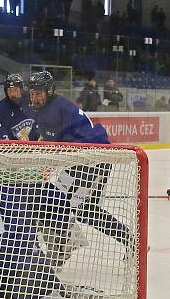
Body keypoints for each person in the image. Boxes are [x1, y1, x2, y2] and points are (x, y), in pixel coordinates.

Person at [27, 70, 131, 253]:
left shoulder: (52, 111)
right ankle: (131, 240)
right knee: (88, 212)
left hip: (90, 159)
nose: (34, 97)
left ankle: (67, 242)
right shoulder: (52, 107)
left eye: (38, 93)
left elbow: (54, 146)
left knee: (52, 200)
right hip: (92, 157)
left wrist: (45, 164)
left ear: (49, 91)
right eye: (32, 93)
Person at [0, 73, 35, 140]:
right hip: (13, 148)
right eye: (10, 91)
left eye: (15, 90)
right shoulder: (0, 108)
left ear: (21, 90)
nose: (13, 94)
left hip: (35, 148)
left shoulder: (33, 102)